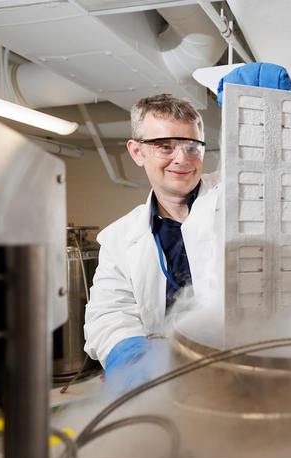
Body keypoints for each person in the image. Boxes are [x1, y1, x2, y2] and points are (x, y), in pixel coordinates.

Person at [83, 93, 221, 391]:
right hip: (164, 380)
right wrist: (129, 353)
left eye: (192, 147)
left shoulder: (237, 196)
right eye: (165, 147)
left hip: (246, 366)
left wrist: (277, 119)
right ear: (137, 152)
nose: (182, 159)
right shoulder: (119, 238)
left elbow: (287, 185)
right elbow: (109, 312)